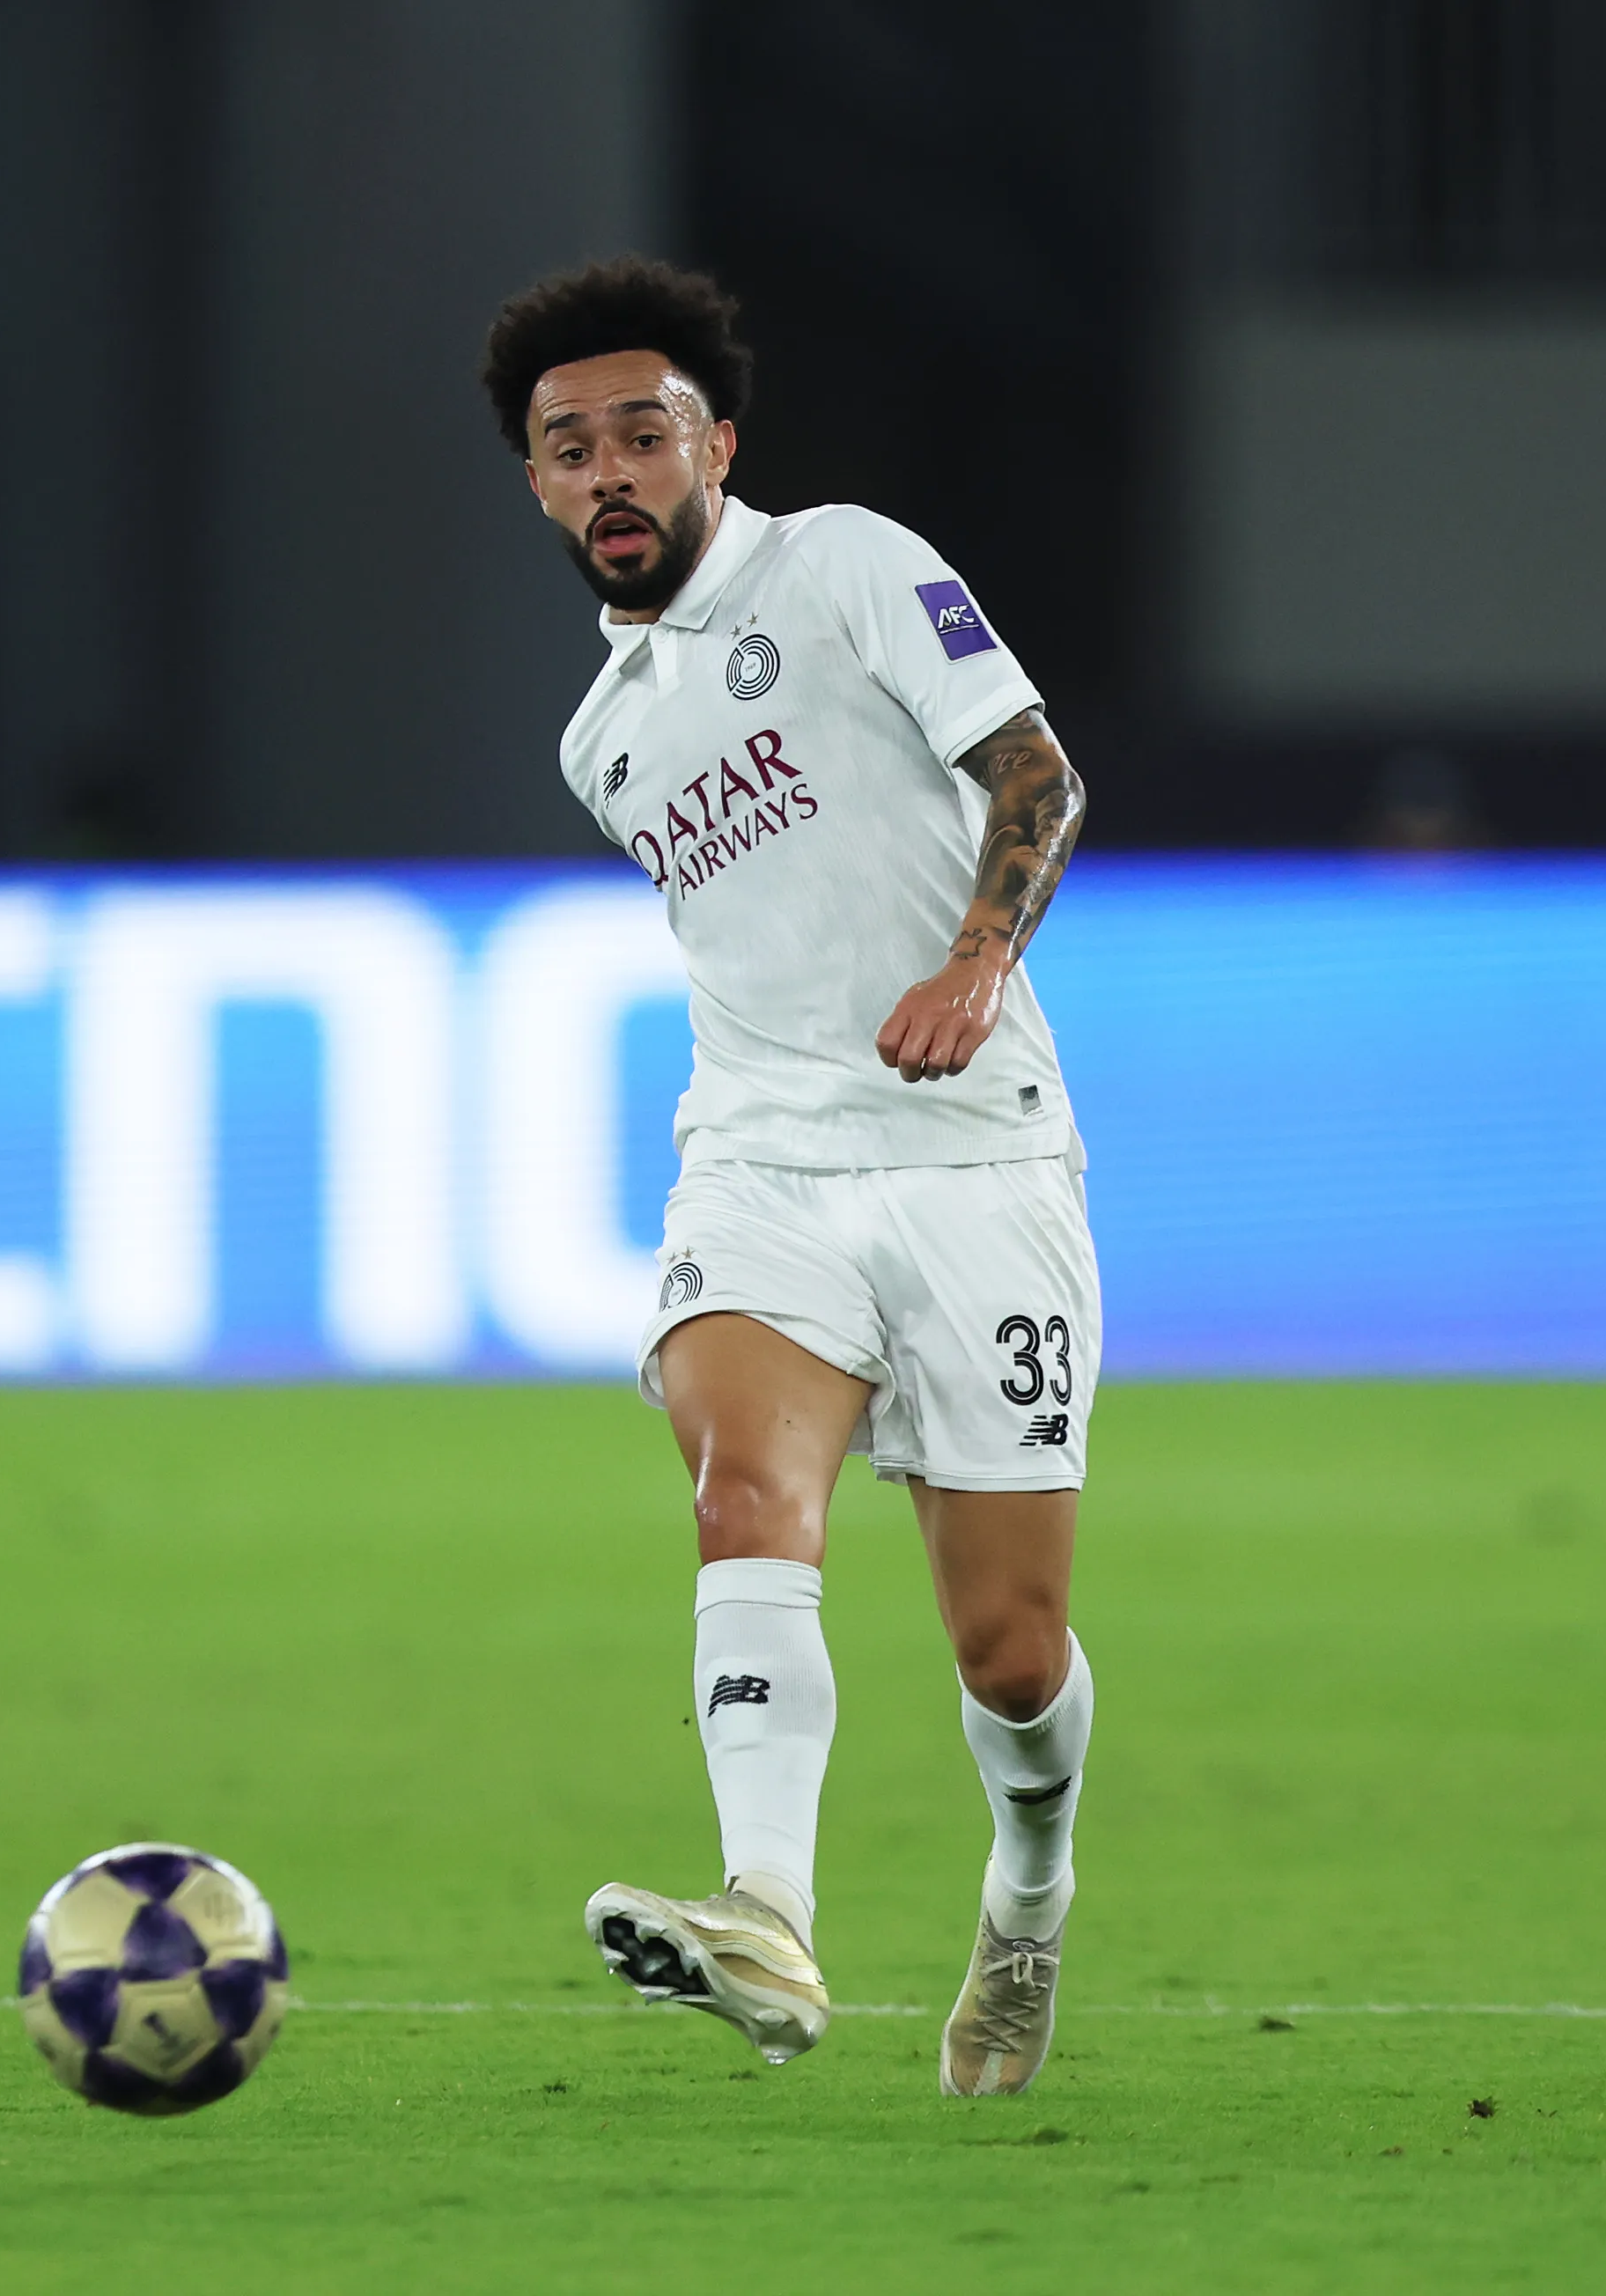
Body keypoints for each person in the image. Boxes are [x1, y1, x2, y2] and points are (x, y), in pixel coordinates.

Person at [483, 261, 1097, 2094]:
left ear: (715, 446)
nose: (609, 472)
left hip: (976, 1148)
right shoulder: (598, 742)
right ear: (532, 483)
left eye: (642, 435)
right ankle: (764, 1906)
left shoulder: (837, 565)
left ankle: (1030, 1885)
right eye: (567, 445)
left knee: (1006, 1647)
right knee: (743, 1486)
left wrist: (974, 965)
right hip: (756, 1158)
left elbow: (1036, 772)